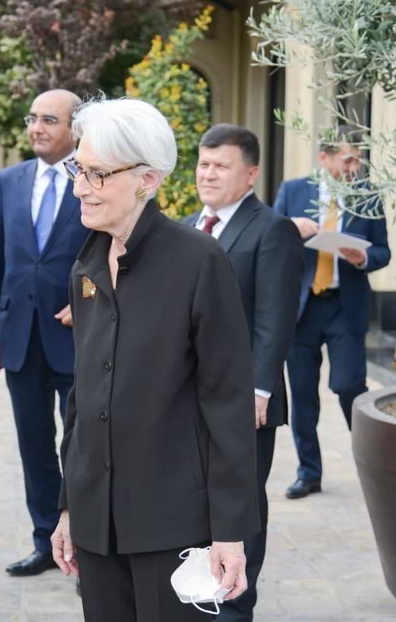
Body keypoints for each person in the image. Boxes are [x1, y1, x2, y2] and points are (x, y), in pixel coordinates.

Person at [50, 98, 260, 621]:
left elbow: (228, 403)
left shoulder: (199, 261)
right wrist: (70, 505)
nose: (79, 187)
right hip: (97, 524)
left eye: (97, 174)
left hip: (173, 525)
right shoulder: (87, 264)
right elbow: (83, 396)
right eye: (78, 169)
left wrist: (230, 530)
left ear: (147, 178)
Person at [184, 124, 304, 621]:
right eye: (203, 164)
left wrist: (258, 389)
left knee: (239, 505)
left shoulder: (271, 229)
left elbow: (276, 318)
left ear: (251, 174)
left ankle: (235, 607)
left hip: (245, 401)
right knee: (194, 502)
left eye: (221, 166)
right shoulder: (188, 226)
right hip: (188, 399)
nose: (208, 174)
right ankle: (196, 598)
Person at [0, 88, 90, 577]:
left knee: (83, 447)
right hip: (19, 335)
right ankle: (46, 542)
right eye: (32, 119)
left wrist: (87, 301)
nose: (36, 128)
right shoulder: (10, 179)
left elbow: (111, 253)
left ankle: (87, 551)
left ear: (74, 129)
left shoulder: (94, 177)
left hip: (77, 336)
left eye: (49, 120)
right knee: (34, 444)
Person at [273, 126, 391, 500]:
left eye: (358, 160)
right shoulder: (293, 190)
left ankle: (375, 460)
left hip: (345, 305)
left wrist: (363, 258)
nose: (355, 167)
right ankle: (309, 473)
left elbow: (383, 251)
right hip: (302, 307)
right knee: (302, 395)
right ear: (324, 159)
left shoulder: (368, 195)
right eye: (348, 159)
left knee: (349, 385)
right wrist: (290, 227)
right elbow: (270, 239)